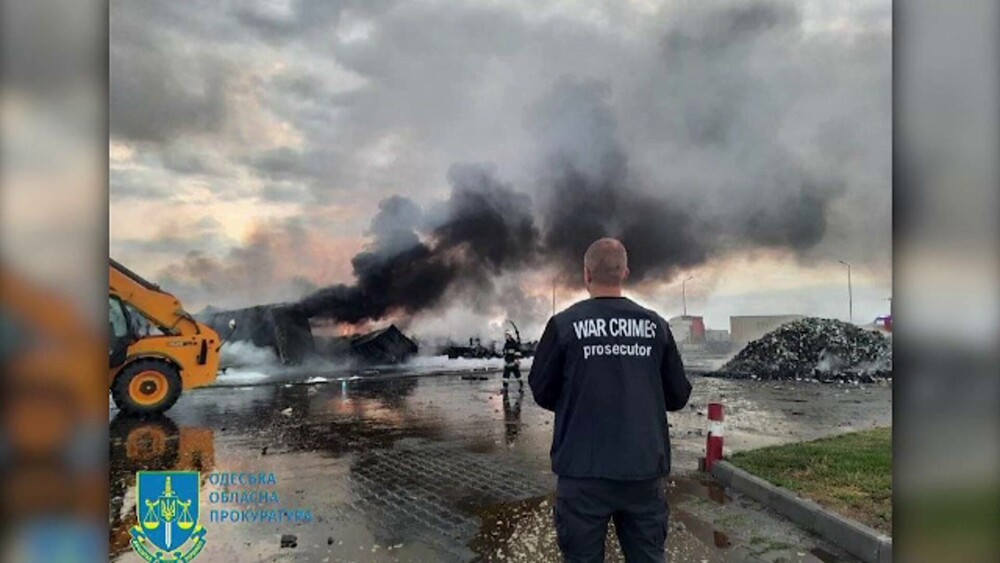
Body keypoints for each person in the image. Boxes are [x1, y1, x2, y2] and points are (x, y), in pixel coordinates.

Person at [528, 237, 692, 563]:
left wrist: (577, 402)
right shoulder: (655, 326)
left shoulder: (563, 326)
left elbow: (541, 391)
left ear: (586, 274)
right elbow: (677, 396)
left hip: (582, 473)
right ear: (625, 272)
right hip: (643, 471)